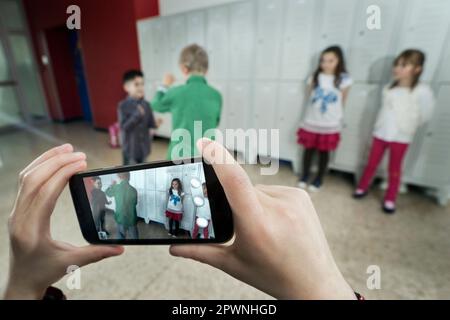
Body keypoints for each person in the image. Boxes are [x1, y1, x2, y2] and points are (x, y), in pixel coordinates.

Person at [4, 141, 358, 300]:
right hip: (138, 217)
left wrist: (22, 288)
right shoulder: (118, 193)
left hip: (150, 216)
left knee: (139, 228)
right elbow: (114, 200)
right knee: (133, 228)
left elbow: (139, 200)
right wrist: (324, 294)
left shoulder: (153, 193)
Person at [354, 49, 435, 214]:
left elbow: (426, 114)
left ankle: (390, 198)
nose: (397, 68)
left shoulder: (422, 91)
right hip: (381, 133)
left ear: (417, 69)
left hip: (401, 136)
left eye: (404, 65)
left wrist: (409, 126)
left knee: (395, 169)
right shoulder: (389, 89)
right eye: (397, 64)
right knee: (371, 163)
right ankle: (362, 187)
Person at [151, 44, 222, 160]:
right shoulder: (216, 95)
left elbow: (155, 105)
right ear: (206, 70)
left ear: (184, 68)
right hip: (207, 157)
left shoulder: (176, 92)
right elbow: (216, 122)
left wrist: (164, 85)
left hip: (178, 156)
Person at [297, 46, 353, 192]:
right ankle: (304, 176)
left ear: (339, 61)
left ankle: (319, 179)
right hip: (312, 120)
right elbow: (310, 98)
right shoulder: (315, 77)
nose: (326, 64)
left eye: (330, 60)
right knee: (308, 151)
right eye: (323, 60)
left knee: (324, 153)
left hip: (330, 123)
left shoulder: (344, 80)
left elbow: (343, 102)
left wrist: (337, 118)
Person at [119, 70, 157, 165]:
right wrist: (137, 115)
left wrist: (156, 124)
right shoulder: (123, 106)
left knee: (144, 172)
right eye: (136, 84)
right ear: (126, 87)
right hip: (130, 150)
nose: (140, 87)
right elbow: (124, 127)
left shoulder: (147, 105)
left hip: (144, 149)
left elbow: (150, 124)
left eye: (142, 84)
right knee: (131, 173)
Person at [105, 172, 139, 239]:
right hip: (131, 218)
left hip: (120, 217)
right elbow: (135, 203)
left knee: (120, 235)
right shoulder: (134, 190)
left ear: (119, 177)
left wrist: (111, 185)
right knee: (134, 236)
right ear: (129, 177)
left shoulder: (116, 187)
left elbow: (107, 193)